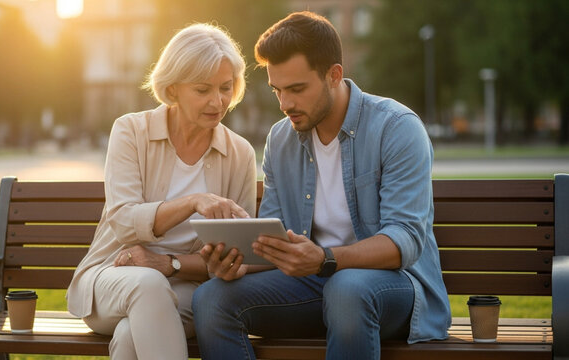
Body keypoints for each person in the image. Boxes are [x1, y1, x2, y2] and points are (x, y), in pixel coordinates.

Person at [192, 11, 451, 360]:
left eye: (297, 89)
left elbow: (404, 240)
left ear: (334, 75)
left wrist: (325, 259)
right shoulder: (281, 139)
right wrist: (236, 263)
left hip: (395, 287)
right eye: (277, 90)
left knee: (347, 289)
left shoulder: (397, 128)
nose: (285, 105)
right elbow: (274, 241)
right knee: (211, 298)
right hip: (316, 285)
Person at [66, 23, 256, 360]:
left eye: (226, 88)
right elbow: (124, 223)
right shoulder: (130, 132)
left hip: (186, 290)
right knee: (148, 287)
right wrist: (193, 201)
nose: (218, 101)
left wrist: (171, 264)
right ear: (172, 89)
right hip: (113, 276)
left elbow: (237, 255)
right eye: (203, 90)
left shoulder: (240, 153)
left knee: (129, 337)